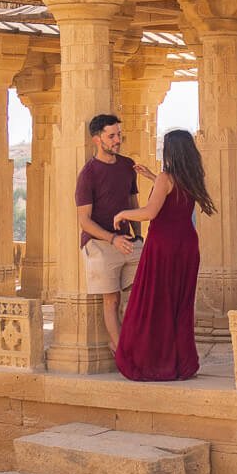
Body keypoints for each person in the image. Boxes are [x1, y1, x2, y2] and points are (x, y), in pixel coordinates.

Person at [112, 127, 215, 382]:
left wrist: (123, 213)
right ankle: (182, 364)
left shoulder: (166, 178)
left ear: (171, 152)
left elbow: (149, 213)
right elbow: (172, 196)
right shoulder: (190, 177)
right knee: (179, 306)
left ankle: (155, 362)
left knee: (155, 305)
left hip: (163, 248)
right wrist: (151, 176)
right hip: (187, 246)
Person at [74, 113, 154, 355]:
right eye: (112, 136)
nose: (117, 140)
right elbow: (84, 221)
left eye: (118, 134)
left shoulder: (127, 165)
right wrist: (112, 239)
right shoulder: (88, 173)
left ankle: (138, 345)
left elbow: (132, 201)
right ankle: (122, 352)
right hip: (99, 244)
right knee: (112, 301)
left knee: (141, 296)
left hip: (129, 242)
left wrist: (138, 234)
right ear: (97, 139)